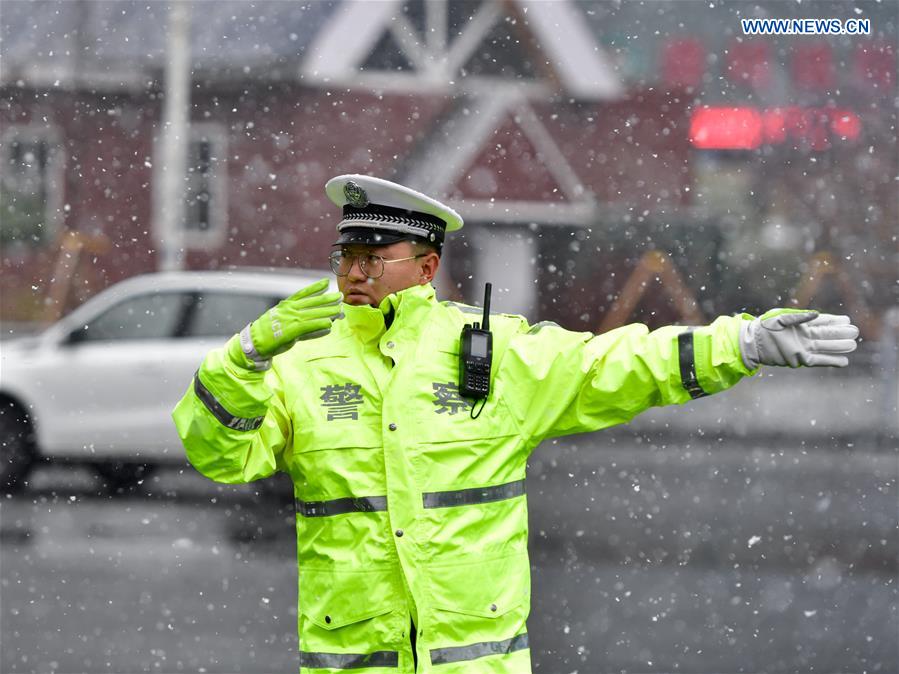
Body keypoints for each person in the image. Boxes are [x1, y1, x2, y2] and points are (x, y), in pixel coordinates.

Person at [172, 174, 859, 674]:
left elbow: (614, 363)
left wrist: (738, 344)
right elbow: (221, 457)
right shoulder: (302, 365)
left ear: (425, 268)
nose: (352, 273)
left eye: (371, 259)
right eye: (345, 257)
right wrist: (246, 353)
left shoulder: (496, 354)